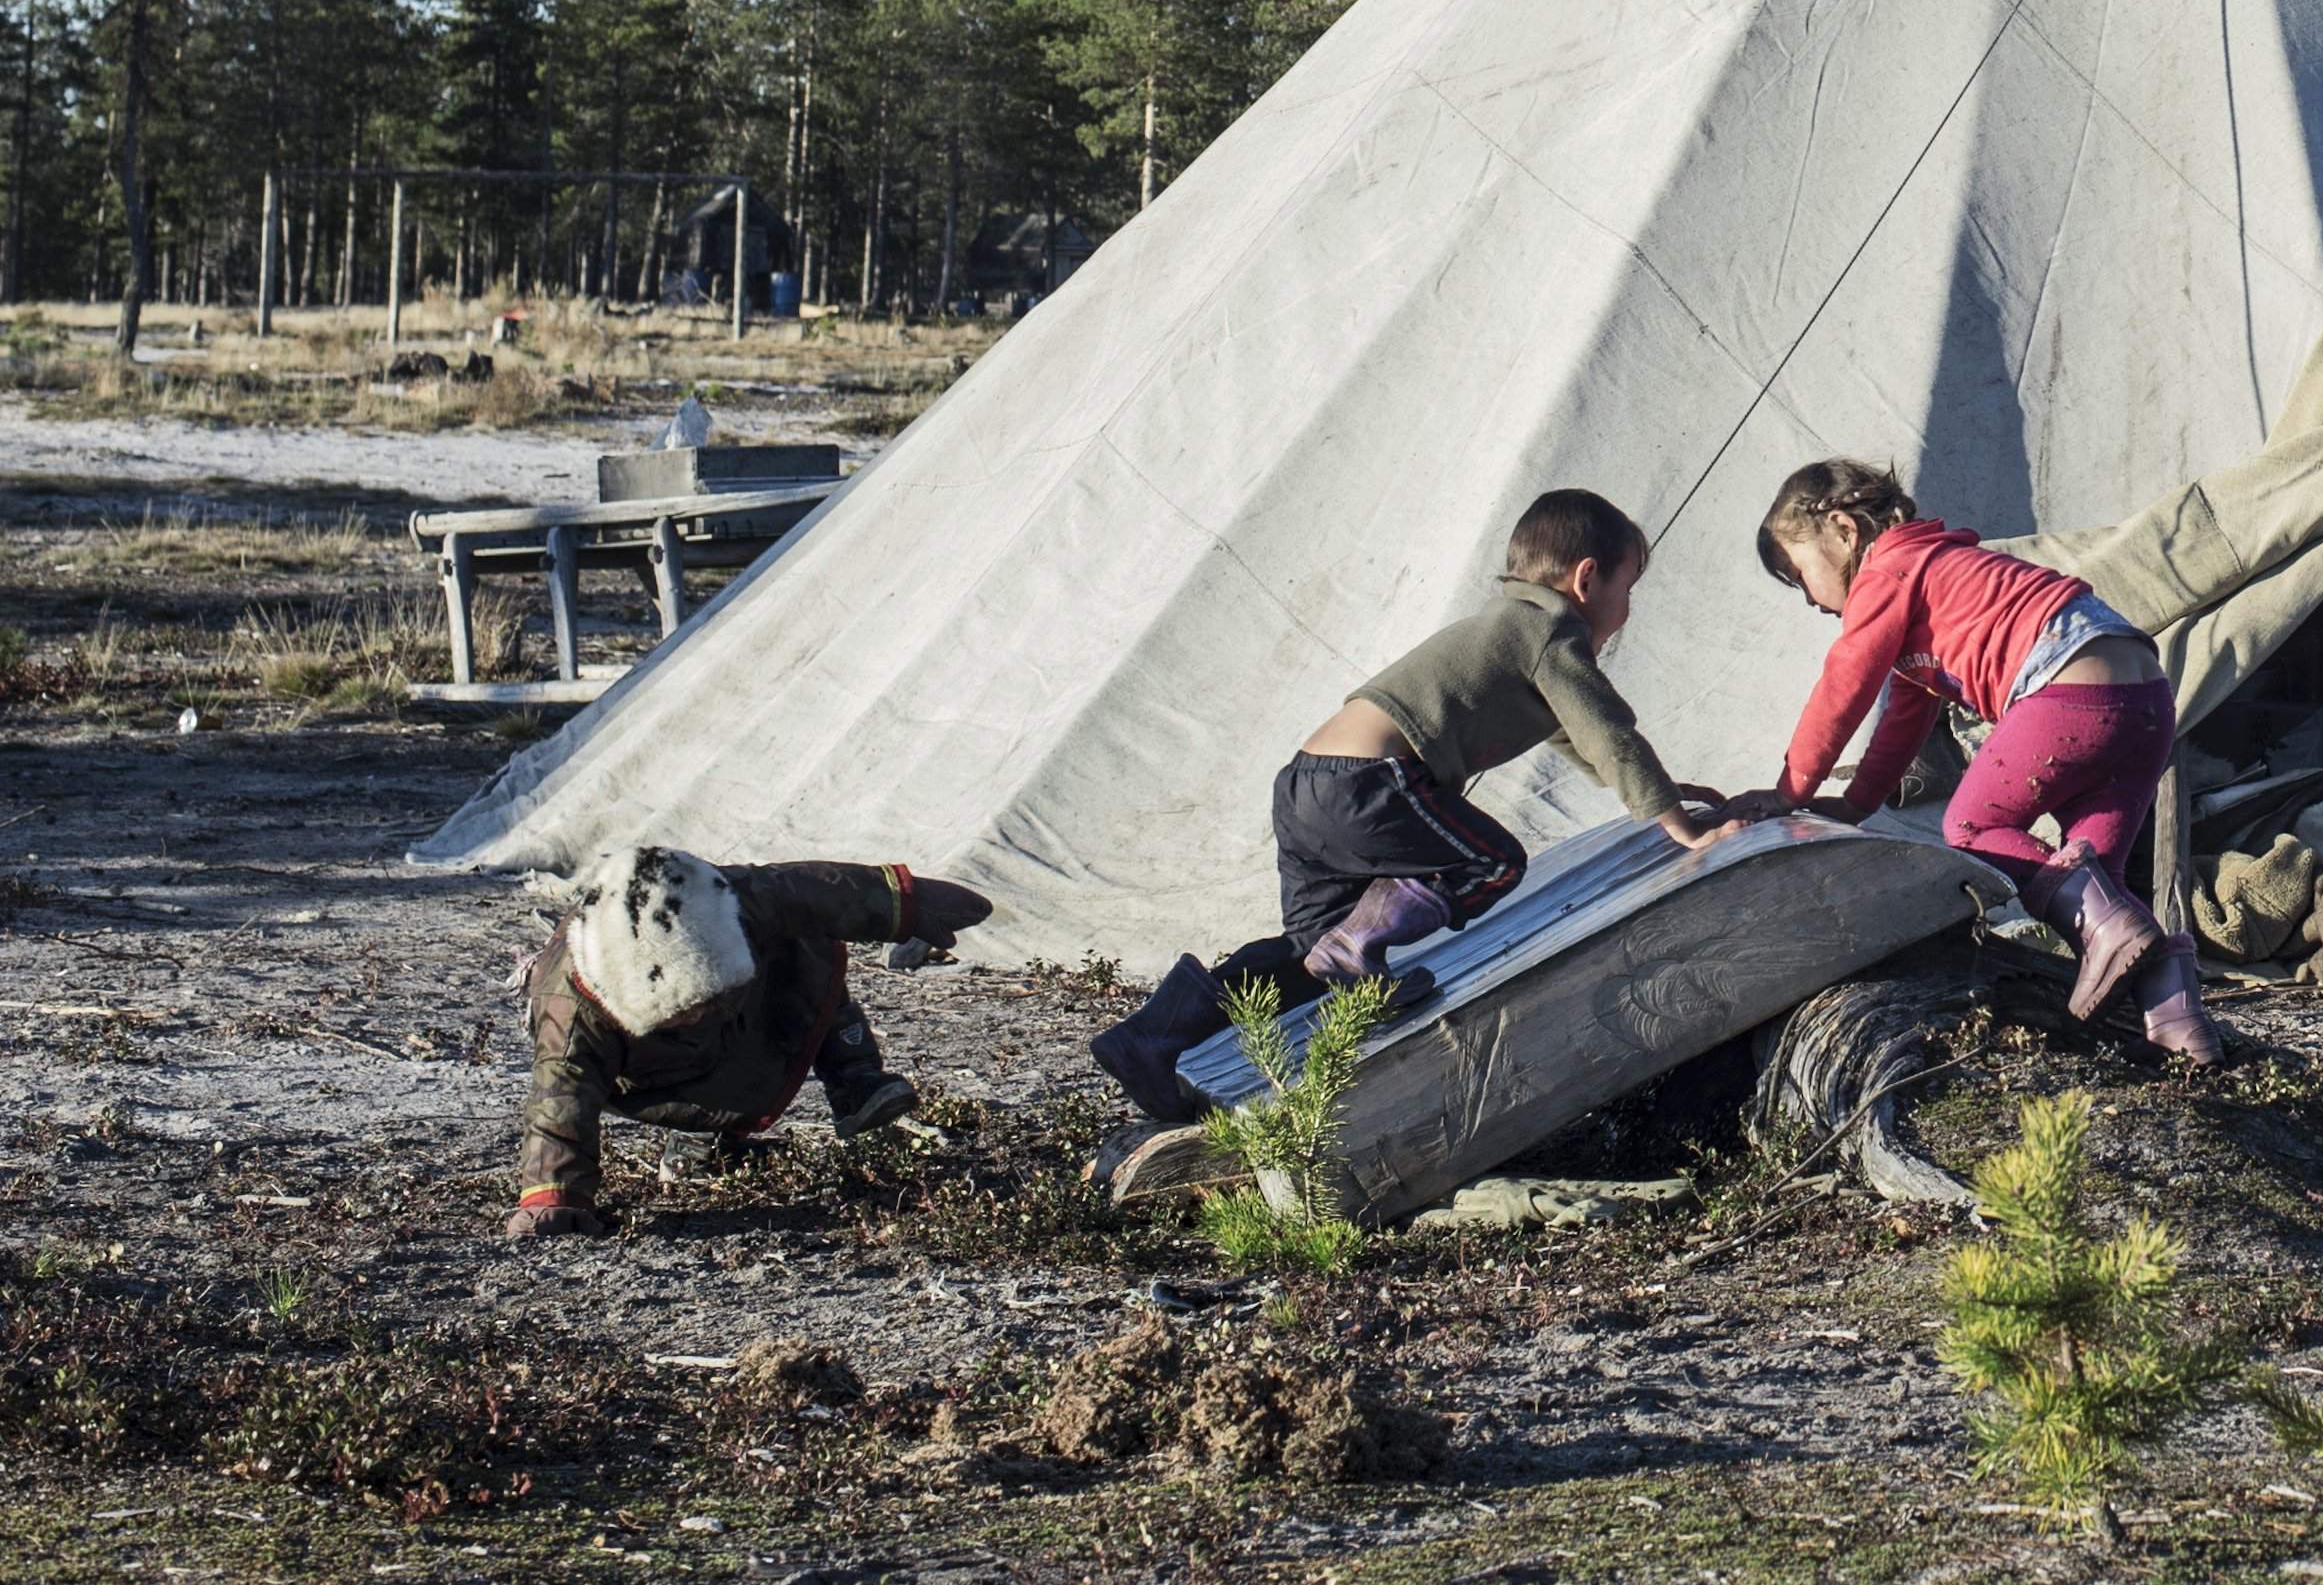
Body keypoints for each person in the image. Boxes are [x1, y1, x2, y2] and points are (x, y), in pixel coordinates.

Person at [1088, 488, 1734, 1123]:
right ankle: (1357, 946)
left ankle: (1152, 1037)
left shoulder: (1502, 625)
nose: (1627, 609)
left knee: (1308, 957)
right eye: (1628, 588)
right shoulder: (1548, 627)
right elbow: (1607, 731)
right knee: (1493, 862)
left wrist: (1663, 792)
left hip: (1305, 782)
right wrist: (1679, 827)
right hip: (1369, 782)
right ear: (1587, 579)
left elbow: (1573, 733)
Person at [1758, 459, 2223, 1065]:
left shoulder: (1889, 569)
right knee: (2094, 890)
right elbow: (1906, 718)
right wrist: (1856, 803)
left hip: (2066, 684)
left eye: (1800, 575)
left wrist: (1791, 790)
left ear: (1845, 530)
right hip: (2143, 696)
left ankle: (2120, 951)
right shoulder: (1933, 579)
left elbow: (1844, 685)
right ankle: (2182, 1032)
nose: (1813, 602)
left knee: (1971, 827)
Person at [505, 843, 994, 1239]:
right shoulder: (572, 1007)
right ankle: (697, 1135)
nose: (699, 1012)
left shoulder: (713, 899)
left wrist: (897, 902)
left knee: (807, 939)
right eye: (687, 1007)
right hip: (653, 1073)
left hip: (743, 1008)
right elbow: (559, 1102)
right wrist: (554, 1198)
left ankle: (855, 1079)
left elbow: (802, 892)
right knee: (703, 1077)